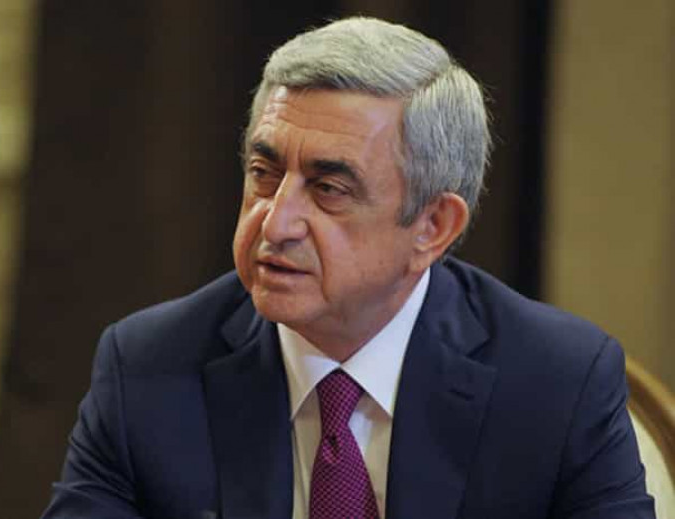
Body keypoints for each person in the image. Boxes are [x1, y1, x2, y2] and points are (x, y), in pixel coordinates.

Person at [41, 17, 654, 519]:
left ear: (433, 226)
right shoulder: (147, 368)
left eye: (329, 189)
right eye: (265, 174)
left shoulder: (557, 383)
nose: (275, 224)